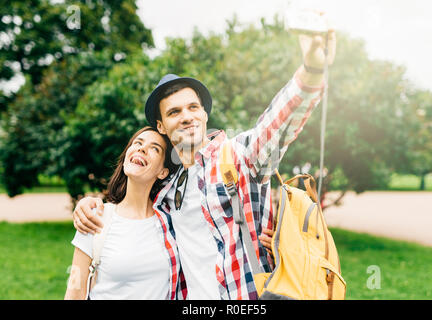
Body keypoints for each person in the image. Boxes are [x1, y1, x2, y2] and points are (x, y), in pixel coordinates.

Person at [73, 17, 337, 300]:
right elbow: (132, 205)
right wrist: (88, 206)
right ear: (162, 126)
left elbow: (276, 126)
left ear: (204, 115)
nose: (186, 116)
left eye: (192, 107)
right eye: (174, 112)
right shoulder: (166, 192)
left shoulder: (238, 156)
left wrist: (310, 72)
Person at [65, 126, 179, 300]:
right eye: (138, 143)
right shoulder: (95, 216)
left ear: (163, 172)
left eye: (155, 148)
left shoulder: (173, 222)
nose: (141, 148)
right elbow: (74, 291)